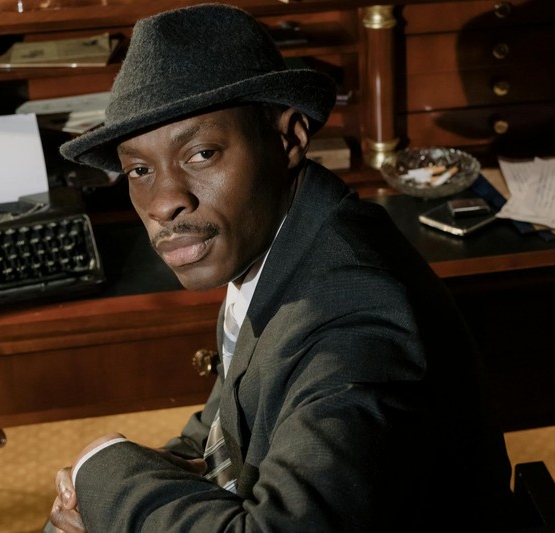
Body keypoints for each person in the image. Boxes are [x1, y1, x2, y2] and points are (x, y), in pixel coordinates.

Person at [47, 4, 516, 532]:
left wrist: (102, 467)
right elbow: (224, 428)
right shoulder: (278, 244)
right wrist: (107, 495)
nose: (163, 203)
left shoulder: (353, 314)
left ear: (288, 140)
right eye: (139, 169)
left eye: (201, 154)